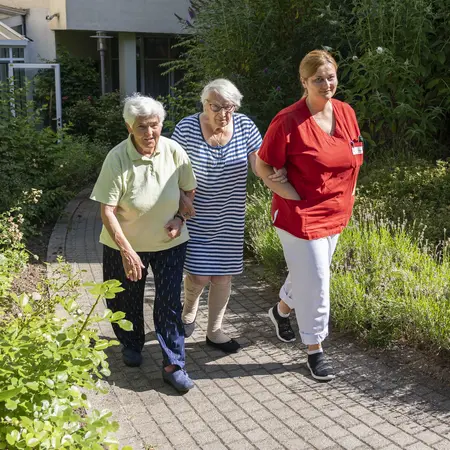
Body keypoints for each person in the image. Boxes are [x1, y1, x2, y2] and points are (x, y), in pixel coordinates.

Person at [257, 50, 363, 381]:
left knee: (311, 272)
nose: (326, 83)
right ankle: (314, 349)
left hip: (336, 211)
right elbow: (262, 164)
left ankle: (280, 311)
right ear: (304, 82)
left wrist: (351, 192)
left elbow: (355, 154)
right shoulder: (287, 120)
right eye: (318, 78)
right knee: (317, 280)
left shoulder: (346, 112)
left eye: (330, 76)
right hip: (299, 216)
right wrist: (290, 195)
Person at [90, 94, 197, 393]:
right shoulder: (117, 158)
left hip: (169, 242)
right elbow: (106, 210)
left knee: (168, 304)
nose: (149, 133)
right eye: (141, 127)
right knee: (125, 298)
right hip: (123, 243)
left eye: (154, 125)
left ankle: (173, 364)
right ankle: (131, 342)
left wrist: (180, 217)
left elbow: (189, 189)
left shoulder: (174, 151)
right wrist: (126, 250)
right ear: (129, 127)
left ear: (161, 124)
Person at [172, 78, 286, 353]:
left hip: (229, 216)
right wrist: (180, 200)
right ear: (204, 104)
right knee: (198, 276)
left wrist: (275, 172)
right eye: (216, 107)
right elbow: (169, 169)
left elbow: (257, 161)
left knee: (223, 277)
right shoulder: (186, 128)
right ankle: (187, 313)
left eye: (229, 108)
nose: (223, 114)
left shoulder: (245, 126)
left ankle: (215, 331)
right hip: (195, 214)